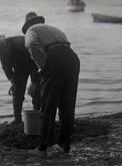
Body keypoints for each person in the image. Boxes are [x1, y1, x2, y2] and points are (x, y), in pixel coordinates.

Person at [22, 12, 80, 154]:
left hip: (54, 58)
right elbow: (66, 45)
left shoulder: (31, 31)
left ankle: (43, 147)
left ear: (28, 24)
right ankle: (64, 145)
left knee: (48, 106)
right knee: (67, 105)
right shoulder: (54, 29)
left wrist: (43, 67)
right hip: (72, 58)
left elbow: (32, 44)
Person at [0, 35, 40, 123]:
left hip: (33, 63)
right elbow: (8, 71)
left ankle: (37, 115)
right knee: (17, 92)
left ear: (6, 45)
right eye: (1, 55)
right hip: (20, 69)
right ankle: (17, 119)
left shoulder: (20, 43)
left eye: (3, 53)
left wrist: (34, 82)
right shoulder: (2, 54)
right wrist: (13, 83)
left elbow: (36, 62)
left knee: (36, 91)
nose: (2, 56)